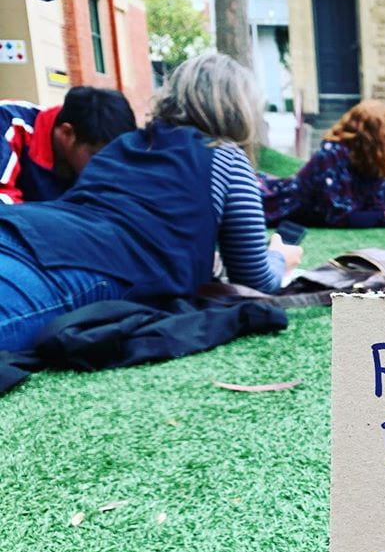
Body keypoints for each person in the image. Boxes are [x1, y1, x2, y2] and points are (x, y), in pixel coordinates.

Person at [0, 52, 301, 353]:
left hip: (26, 228)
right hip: (77, 267)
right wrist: (279, 257)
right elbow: (254, 279)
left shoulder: (123, 144)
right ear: (241, 111)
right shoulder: (226, 156)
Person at [258, 100, 385, 229]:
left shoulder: (373, 159)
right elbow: (338, 217)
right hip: (269, 204)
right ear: (377, 136)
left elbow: (375, 208)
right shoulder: (332, 153)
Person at [0, 86, 136, 204]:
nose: (108, 167)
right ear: (66, 133)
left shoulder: (92, 153)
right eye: (96, 155)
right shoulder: (9, 125)